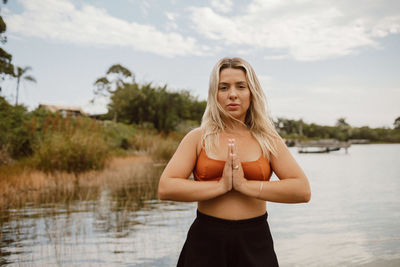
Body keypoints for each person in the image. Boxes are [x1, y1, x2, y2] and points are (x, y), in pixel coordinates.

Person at [158, 57, 311, 267]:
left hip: (255, 242)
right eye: (223, 87)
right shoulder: (198, 138)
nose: (232, 94)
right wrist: (222, 185)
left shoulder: (268, 139)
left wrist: (244, 185)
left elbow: (302, 190)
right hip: (205, 242)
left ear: (252, 93)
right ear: (215, 94)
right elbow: (166, 187)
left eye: (241, 86)